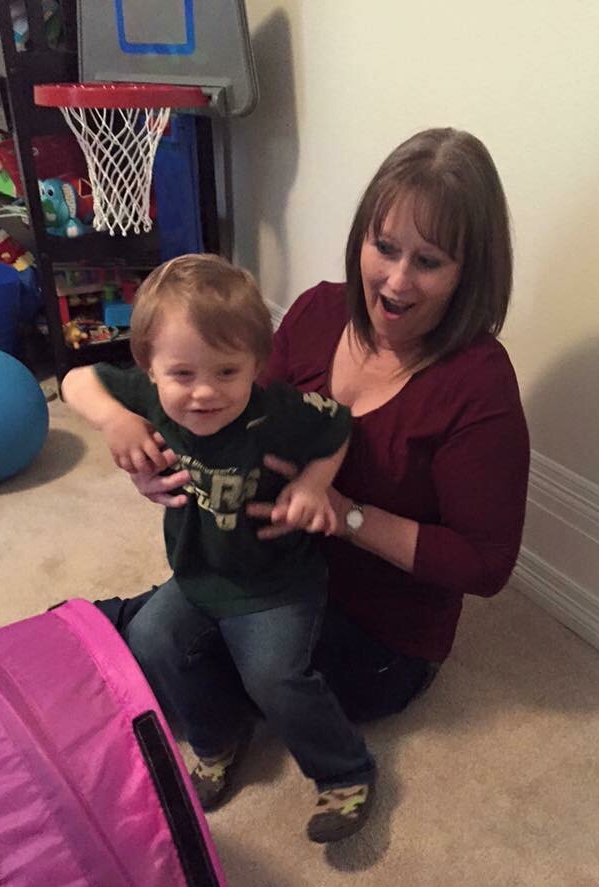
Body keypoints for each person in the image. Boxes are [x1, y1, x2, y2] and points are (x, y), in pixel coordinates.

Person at [87, 127, 530, 838]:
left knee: (246, 666)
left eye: (429, 261)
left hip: (378, 634)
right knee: (153, 637)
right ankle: (124, 637)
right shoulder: (320, 309)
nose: (396, 281)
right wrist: (160, 461)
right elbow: (233, 418)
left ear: (468, 273)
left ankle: (342, 771)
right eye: (385, 247)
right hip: (266, 564)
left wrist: (345, 512)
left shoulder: (478, 385)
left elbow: (485, 564)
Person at [62, 254, 376, 844]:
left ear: (257, 364)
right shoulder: (146, 396)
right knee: (150, 637)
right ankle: (216, 740)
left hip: (277, 584)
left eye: (228, 372)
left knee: (274, 677)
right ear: (148, 367)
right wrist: (112, 420)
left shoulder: (278, 412)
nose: (204, 392)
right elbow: (76, 380)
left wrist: (312, 486)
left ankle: (345, 770)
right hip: (199, 572)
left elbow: (338, 426)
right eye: (182, 374)